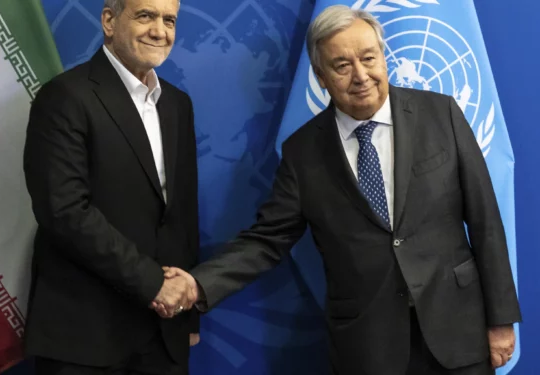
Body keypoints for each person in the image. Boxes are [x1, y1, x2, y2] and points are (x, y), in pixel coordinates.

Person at [158, 5, 521, 375]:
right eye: (343, 65)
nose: (361, 76)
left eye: (369, 58)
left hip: (458, 332)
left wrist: (501, 319)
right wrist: (198, 284)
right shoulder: (302, 153)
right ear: (320, 75)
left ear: (383, 57)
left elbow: (485, 219)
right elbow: (267, 241)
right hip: (368, 346)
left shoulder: (440, 114)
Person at [23, 0, 200, 373]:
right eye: (145, 15)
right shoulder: (65, 97)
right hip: (86, 335)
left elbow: (181, 215)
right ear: (108, 20)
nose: (160, 30)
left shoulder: (178, 105)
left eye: (169, 20)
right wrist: (154, 284)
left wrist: (187, 315)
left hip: (162, 334)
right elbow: (65, 211)